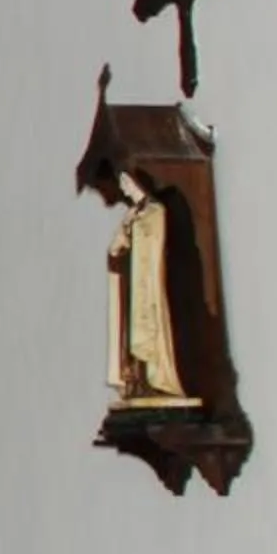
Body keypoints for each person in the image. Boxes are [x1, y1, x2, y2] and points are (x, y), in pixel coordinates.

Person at [107, 170, 194, 406]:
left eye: (126, 182)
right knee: (130, 332)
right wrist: (121, 242)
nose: (123, 188)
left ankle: (156, 380)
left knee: (150, 330)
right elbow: (116, 250)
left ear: (137, 182)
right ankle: (137, 381)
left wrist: (133, 232)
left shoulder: (155, 212)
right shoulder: (132, 214)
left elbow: (153, 245)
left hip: (148, 283)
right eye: (121, 182)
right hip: (133, 283)